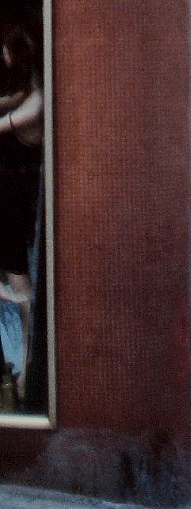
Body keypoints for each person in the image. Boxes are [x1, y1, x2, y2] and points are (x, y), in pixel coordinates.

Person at [0, 20, 43, 405]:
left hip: (19, 200)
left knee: (20, 285)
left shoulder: (36, 102)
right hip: (15, 198)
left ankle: (26, 381)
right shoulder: (28, 93)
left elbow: (7, 121)